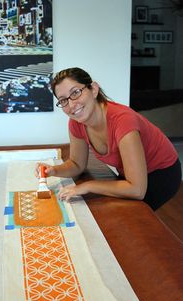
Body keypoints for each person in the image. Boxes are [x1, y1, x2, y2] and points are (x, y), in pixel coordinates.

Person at [36, 67, 182, 211]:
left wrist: (87, 186)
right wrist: (53, 170)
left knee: (128, 219)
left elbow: (137, 190)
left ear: (93, 89)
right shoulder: (76, 123)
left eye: (75, 92)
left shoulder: (123, 121)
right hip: (130, 178)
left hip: (161, 173)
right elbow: (76, 164)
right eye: (63, 100)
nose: (72, 105)